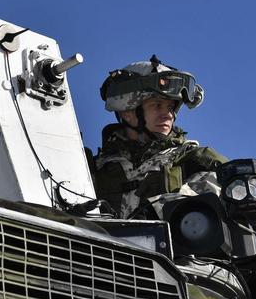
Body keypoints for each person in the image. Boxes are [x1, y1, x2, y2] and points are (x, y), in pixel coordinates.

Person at [88, 55, 227, 219]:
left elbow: (242, 186)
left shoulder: (195, 159)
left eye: (170, 107)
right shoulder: (94, 168)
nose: (168, 115)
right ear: (127, 113)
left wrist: (157, 211)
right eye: (157, 105)